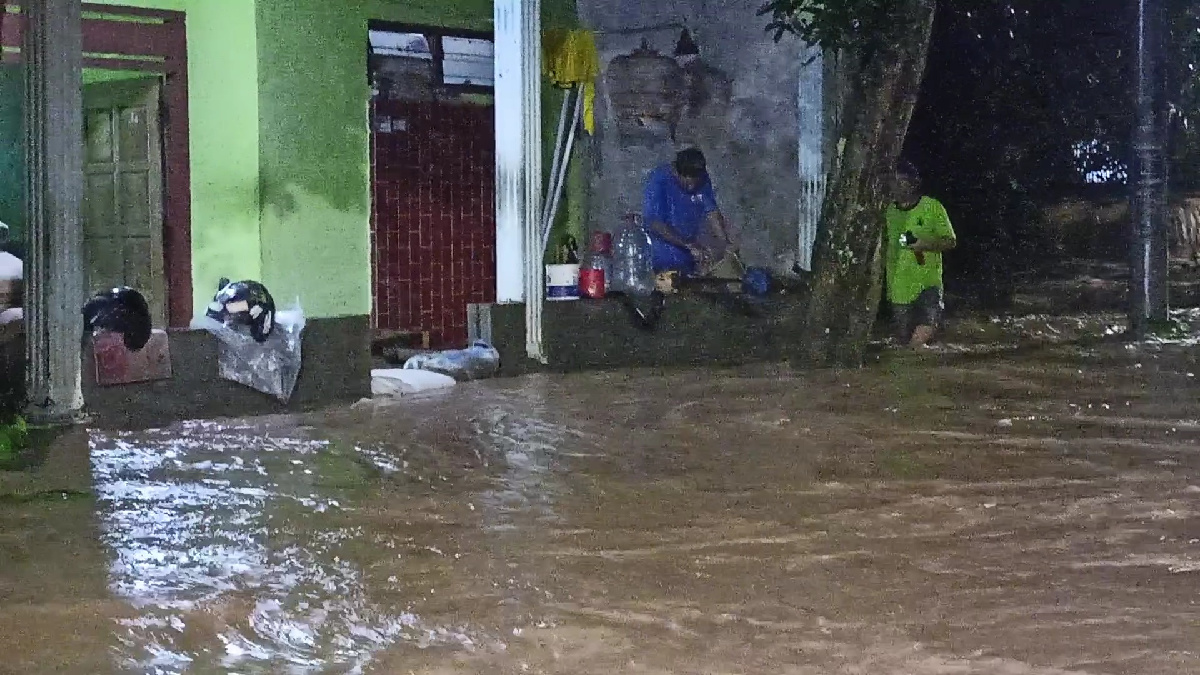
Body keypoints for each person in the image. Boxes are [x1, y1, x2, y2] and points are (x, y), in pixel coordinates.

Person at [885, 161, 956, 348]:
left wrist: (924, 244)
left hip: (928, 282)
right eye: (893, 181)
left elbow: (950, 241)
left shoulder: (932, 207)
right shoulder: (887, 212)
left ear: (914, 183)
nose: (897, 186)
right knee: (903, 340)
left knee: (929, 323)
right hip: (898, 287)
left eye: (902, 182)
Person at [642, 148, 733, 275]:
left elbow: (711, 211)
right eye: (687, 184)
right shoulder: (659, 180)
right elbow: (655, 223)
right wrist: (688, 245)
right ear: (677, 172)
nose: (692, 188)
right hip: (659, 256)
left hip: (687, 257)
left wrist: (725, 242)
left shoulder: (702, 178)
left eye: (695, 184)